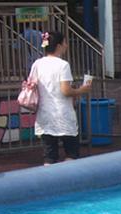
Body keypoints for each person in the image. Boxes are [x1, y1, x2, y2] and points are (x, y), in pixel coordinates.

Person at [30, 31, 91, 165]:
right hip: (63, 114)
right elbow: (65, 91)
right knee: (71, 153)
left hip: (45, 114)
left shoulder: (37, 64)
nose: (66, 45)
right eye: (64, 43)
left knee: (49, 156)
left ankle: (48, 183)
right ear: (58, 46)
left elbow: (32, 85)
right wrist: (82, 89)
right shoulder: (63, 65)